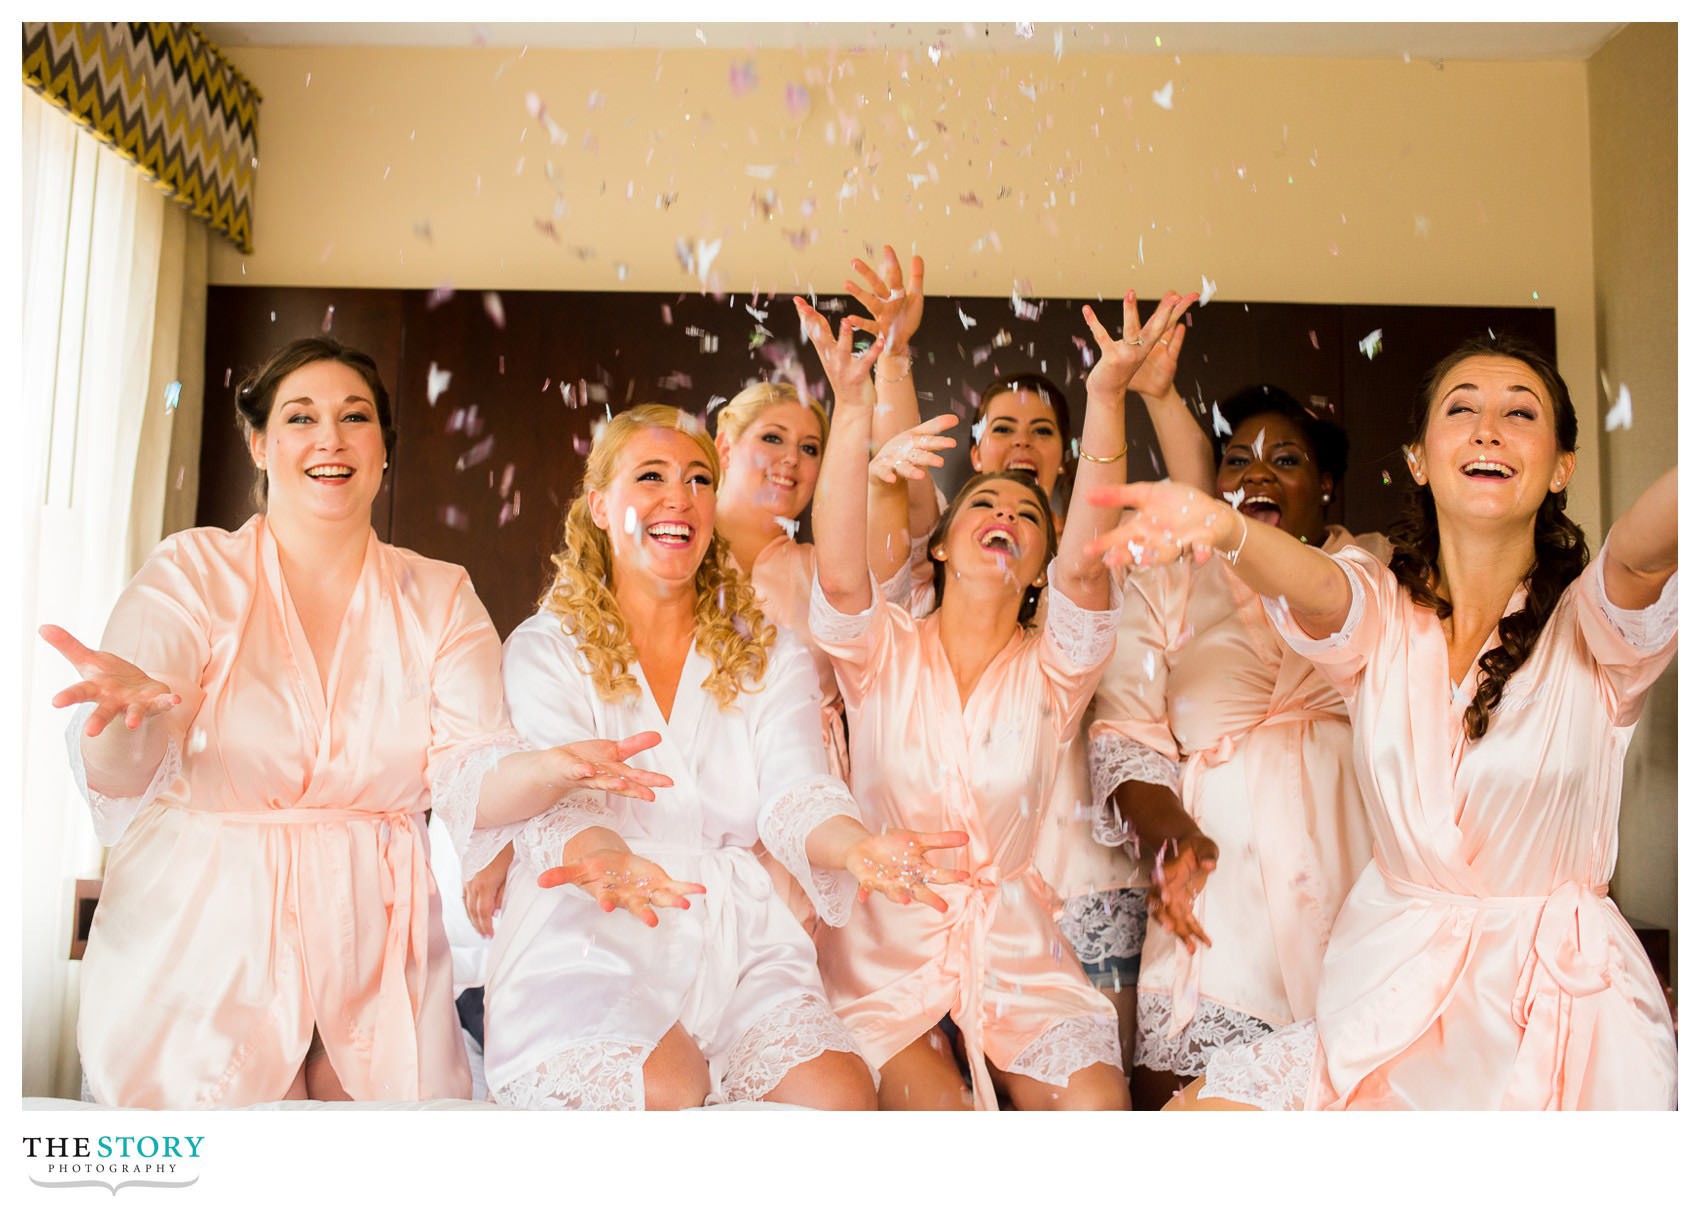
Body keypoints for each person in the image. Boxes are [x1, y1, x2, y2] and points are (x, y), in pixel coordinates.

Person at [42, 337, 670, 1108]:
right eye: (301, 417)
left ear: (383, 453)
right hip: (205, 933)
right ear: (260, 443)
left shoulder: (440, 596)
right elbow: (123, 771)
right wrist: (124, 721)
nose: (330, 437)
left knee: (371, 1166)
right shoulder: (191, 573)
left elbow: (470, 771)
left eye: (356, 417)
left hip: (375, 932)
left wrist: (548, 770)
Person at [1087, 334, 1678, 1110]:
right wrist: (1224, 528)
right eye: (1461, 410)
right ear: (1418, 458)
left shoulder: (1592, 625)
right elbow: (1323, 590)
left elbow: (1639, 555)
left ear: (1562, 465)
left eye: (1520, 413)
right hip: (1390, 994)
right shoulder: (1380, 606)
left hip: (1552, 1014)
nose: (1488, 429)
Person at [477, 403, 968, 1110]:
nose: (681, 497)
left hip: (736, 934)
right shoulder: (546, 649)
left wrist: (856, 849)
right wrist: (604, 856)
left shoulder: (769, 650)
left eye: (700, 479)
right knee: (666, 1085)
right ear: (600, 504)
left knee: (837, 1095)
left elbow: (797, 789)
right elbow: (558, 798)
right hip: (588, 924)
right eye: (651, 476)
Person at [801, 288, 1193, 1110]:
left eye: (1028, 515)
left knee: (1096, 1110)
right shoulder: (880, 650)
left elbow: (1090, 563)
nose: (1007, 512)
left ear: (1043, 563)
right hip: (882, 946)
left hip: (1014, 949)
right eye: (984, 501)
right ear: (940, 541)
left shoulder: (1057, 669)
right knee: (941, 1123)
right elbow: (840, 571)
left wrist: (1107, 394)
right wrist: (850, 408)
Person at [1090, 385, 1384, 1106]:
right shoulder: (1168, 577)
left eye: (1284, 459)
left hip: (1355, 869)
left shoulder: (1375, 570)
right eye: (1235, 461)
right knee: (1189, 1113)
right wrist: (1174, 843)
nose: (1255, 475)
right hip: (1218, 877)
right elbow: (1126, 726)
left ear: (1326, 486)